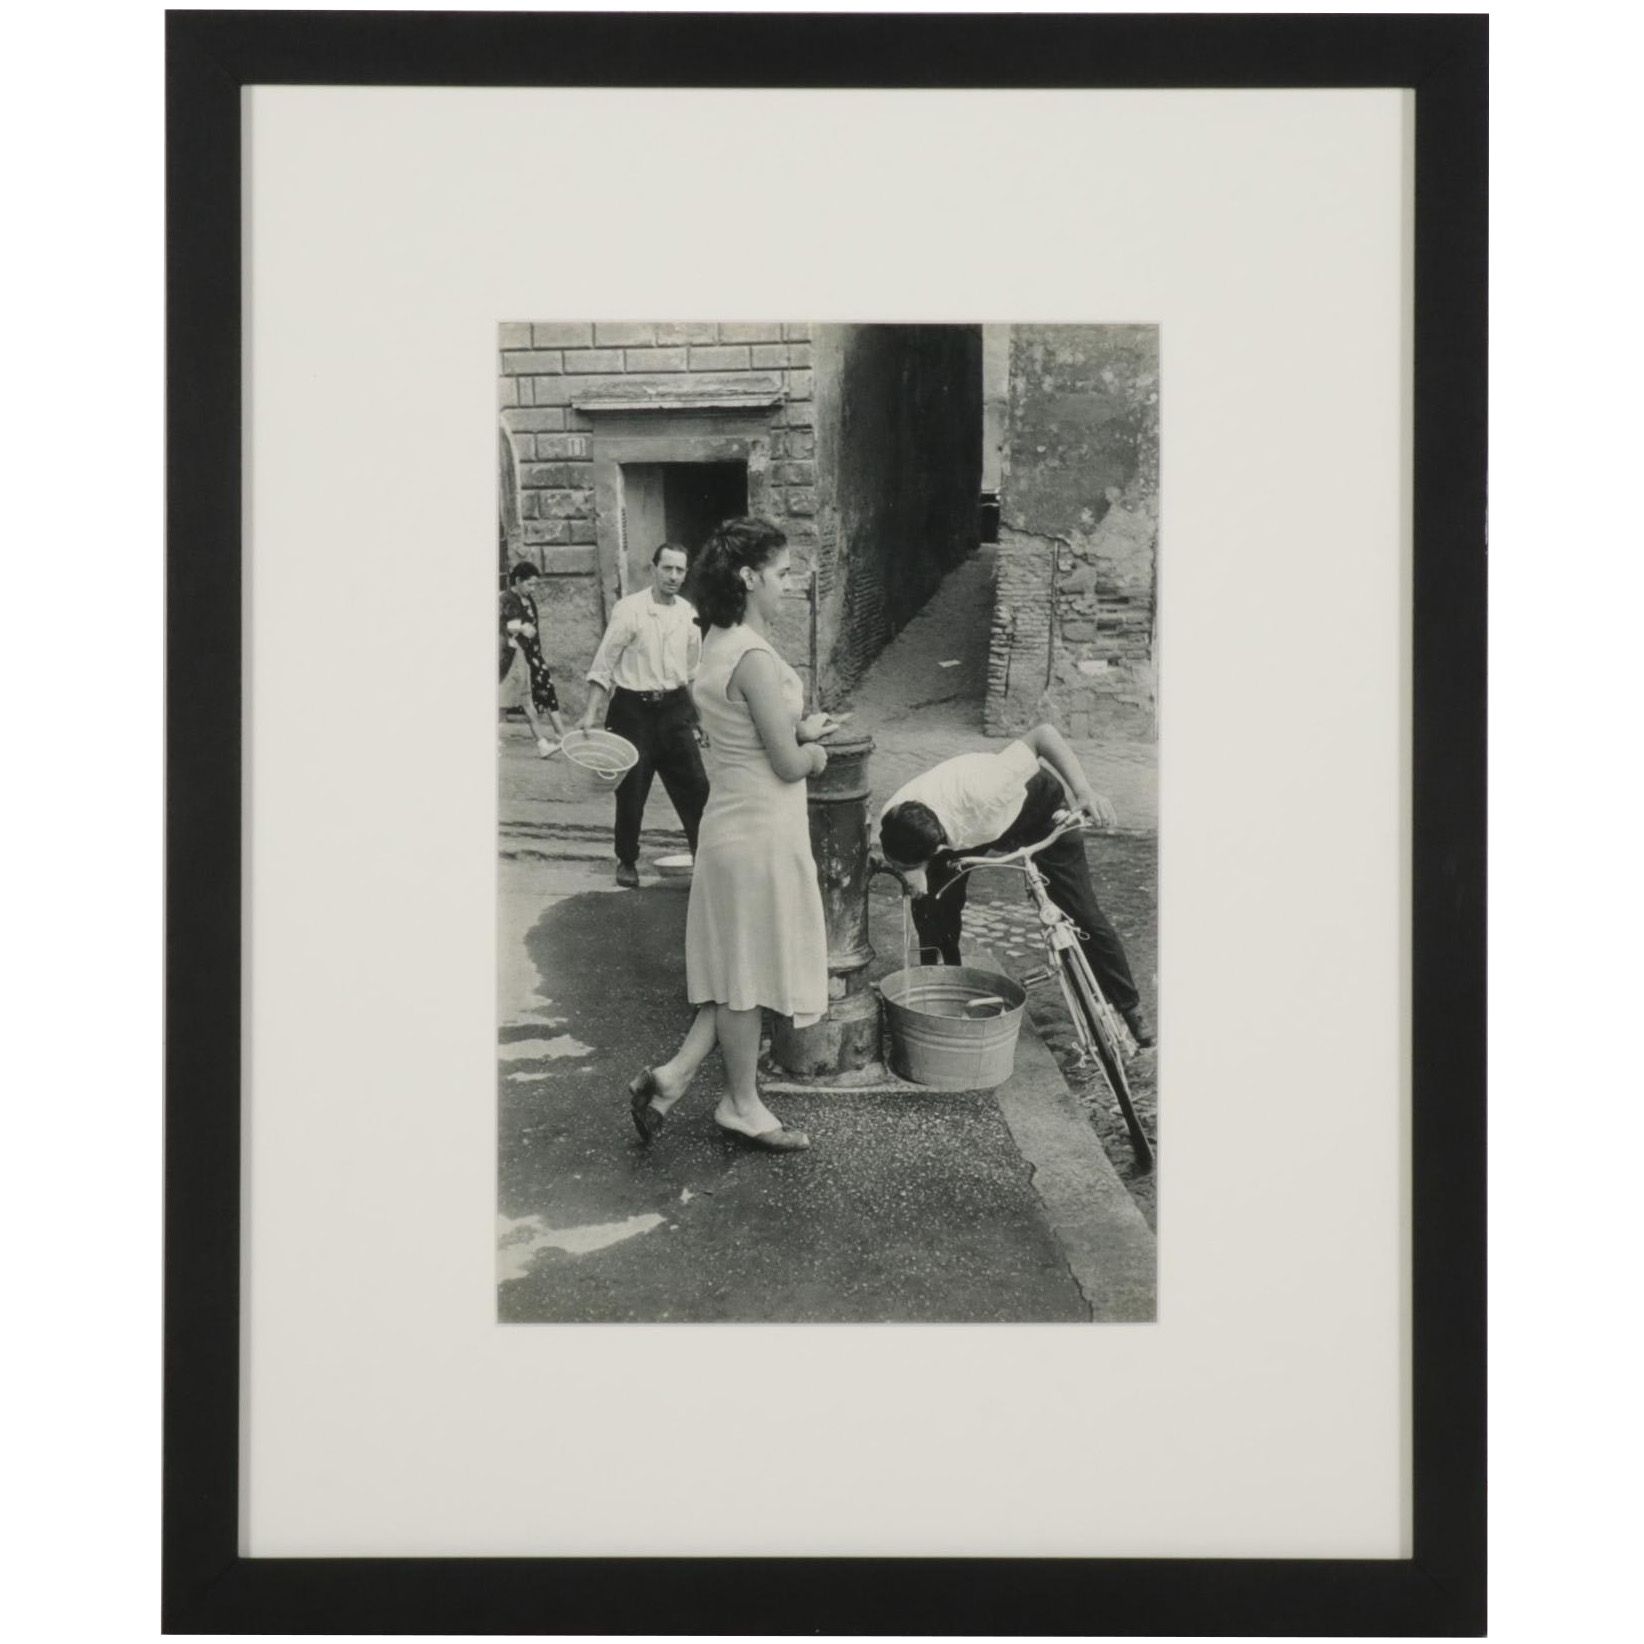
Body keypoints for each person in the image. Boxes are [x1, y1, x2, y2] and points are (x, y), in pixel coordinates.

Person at [626, 517, 832, 1152]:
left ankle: (671, 1078)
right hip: (763, 829)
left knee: (732, 967)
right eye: (782, 573)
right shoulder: (754, 657)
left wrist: (791, 731)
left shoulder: (711, 643)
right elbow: (788, 763)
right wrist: (815, 744)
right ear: (750, 577)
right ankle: (741, 1104)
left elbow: (739, 735)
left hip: (726, 826)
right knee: (745, 978)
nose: (788, 585)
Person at [877, 724, 1155, 1049]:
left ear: (934, 851)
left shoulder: (986, 787)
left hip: (1035, 809)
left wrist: (1084, 792)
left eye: (908, 867)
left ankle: (1130, 1007)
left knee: (1082, 913)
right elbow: (901, 857)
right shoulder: (894, 816)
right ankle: (942, 995)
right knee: (933, 910)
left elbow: (1043, 735)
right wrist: (913, 879)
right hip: (963, 832)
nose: (906, 872)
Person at [580, 542, 710, 888]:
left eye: (680, 570)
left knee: (696, 788)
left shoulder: (688, 613)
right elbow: (604, 664)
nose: (673, 576)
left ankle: (706, 861)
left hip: (674, 710)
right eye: (667, 568)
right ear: (653, 569)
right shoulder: (629, 610)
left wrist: (700, 719)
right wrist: (590, 714)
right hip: (631, 711)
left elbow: (693, 672)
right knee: (631, 790)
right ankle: (626, 860)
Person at [499, 562, 566, 756]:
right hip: (511, 658)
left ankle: (544, 743)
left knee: (527, 700)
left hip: (525, 656)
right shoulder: (507, 598)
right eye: (530, 584)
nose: (533, 589)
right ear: (518, 581)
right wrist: (521, 629)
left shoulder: (524, 598)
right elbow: (505, 625)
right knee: (504, 701)